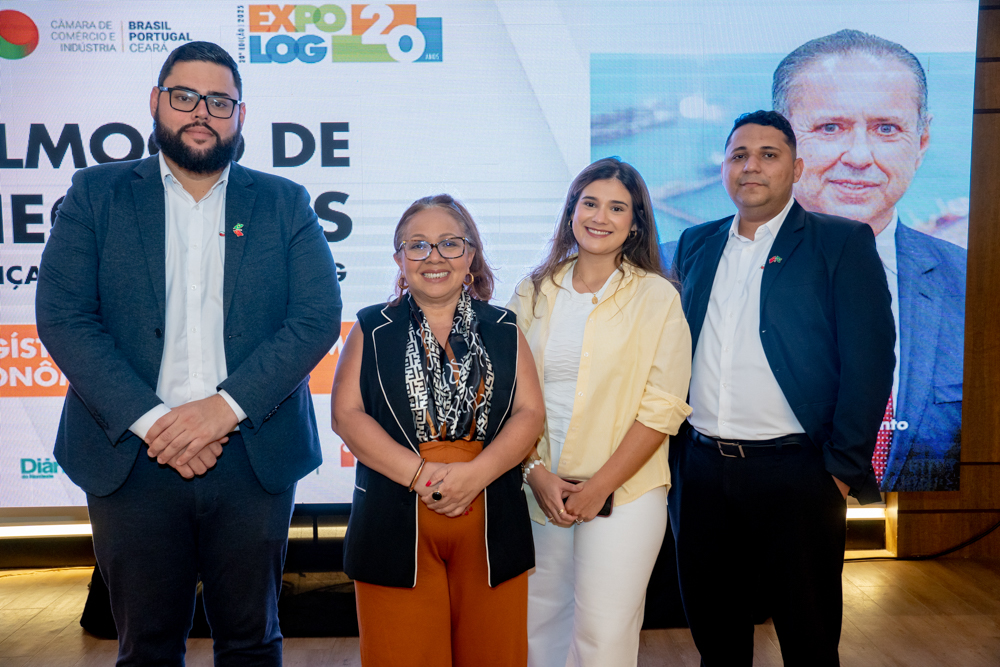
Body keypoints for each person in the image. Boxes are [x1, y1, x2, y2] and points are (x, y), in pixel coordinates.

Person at [35, 42, 342, 665]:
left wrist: (223, 411)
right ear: (156, 102)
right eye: (185, 96)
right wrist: (158, 424)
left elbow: (315, 318)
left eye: (219, 101)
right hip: (132, 457)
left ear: (240, 115)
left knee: (252, 643)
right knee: (146, 647)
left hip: (251, 454)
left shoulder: (284, 202)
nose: (202, 111)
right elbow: (65, 317)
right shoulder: (96, 194)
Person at [668, 110, 895, 666]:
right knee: (717, 640)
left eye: (768, 155)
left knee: (808, 640)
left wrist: (840, 470)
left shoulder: (840, 242)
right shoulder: (695, 243)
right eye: (739, 155)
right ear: (724, 167)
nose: (751, 166)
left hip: (799, 475)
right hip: (701, 473)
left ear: (796, 168)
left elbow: (869, 361)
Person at [332, 194, 544, 666]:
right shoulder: (370, 327)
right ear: (399, 259)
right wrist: (421, 477)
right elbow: (347, 416)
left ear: (470, 255)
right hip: (392, 526)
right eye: (418, 245)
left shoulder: (505, 328)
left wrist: (475, 476)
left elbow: (530, 414)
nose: (434, 257)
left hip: (492, 525)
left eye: (449, 244)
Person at [508, 157, 692, 667]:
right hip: (538, 490)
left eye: (617, 208)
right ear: (572, 210)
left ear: (635, 223)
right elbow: (506, 394)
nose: (600, 217)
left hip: (625, 495)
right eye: (590, 203)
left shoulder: (657, 297)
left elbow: (663, 408)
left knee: (603, 639)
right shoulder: (533, 291)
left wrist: (598, 487)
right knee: (538, 630)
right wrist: (534, 472)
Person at [773, 29, 966, 491]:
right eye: (830, 127)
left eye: (886, 129)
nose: (860, 156)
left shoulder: (974, 285)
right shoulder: (681, 274)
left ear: (921, 141)